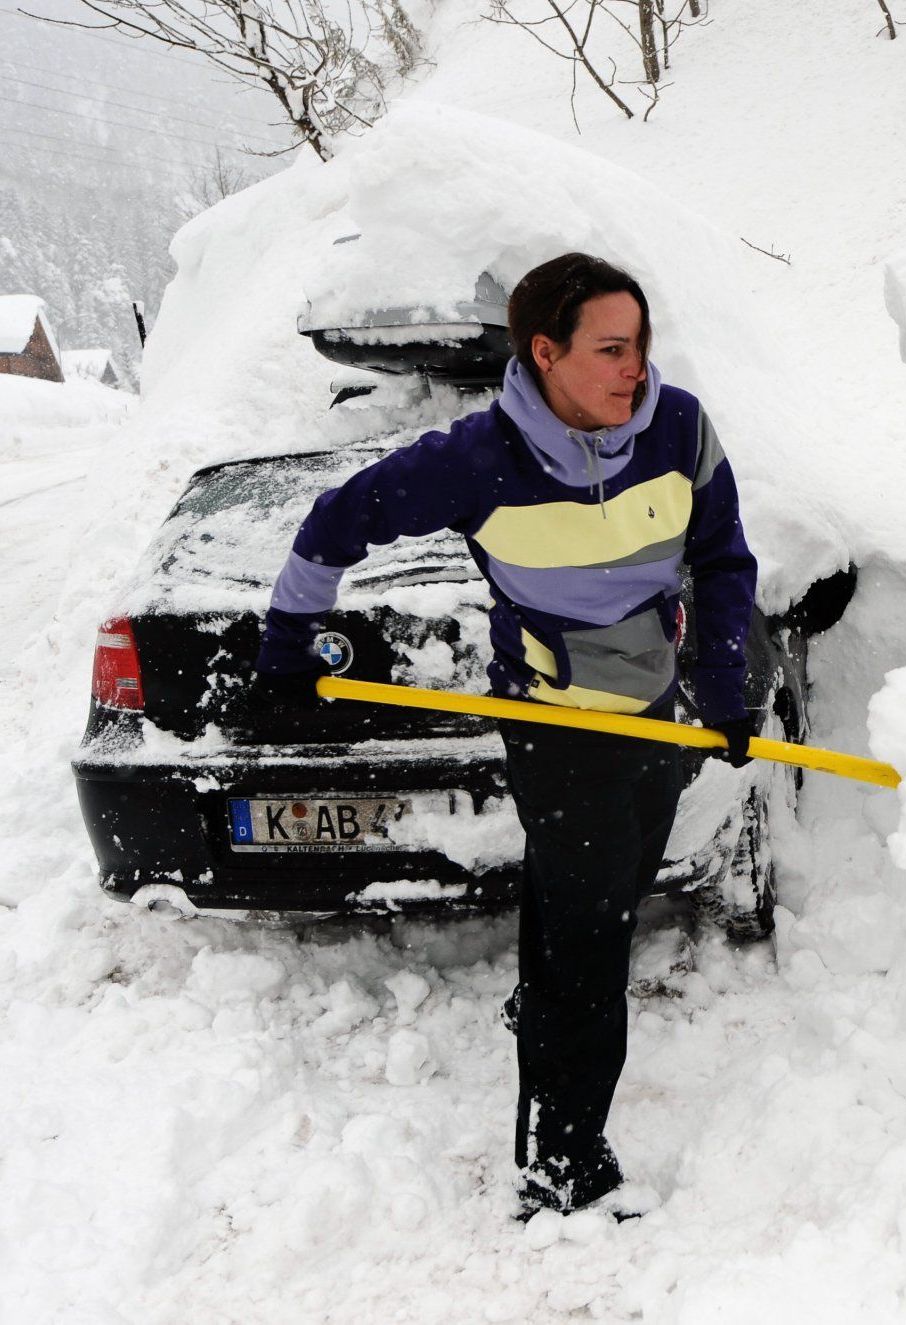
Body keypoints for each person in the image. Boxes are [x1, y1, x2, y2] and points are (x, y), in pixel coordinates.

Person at [251, 252, 760, 1218]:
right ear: (545, 353)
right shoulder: (479, 458)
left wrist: (720, 684)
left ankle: (546, 998)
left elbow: (723, 556)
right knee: (592, 942)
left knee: (594, 895)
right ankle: (561, 1161)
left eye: (641, 344)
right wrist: (287, 641)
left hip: (655, 714)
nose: (635, 369)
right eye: (610, 349)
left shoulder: (679, 427)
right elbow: (334, 521)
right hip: (555, 727)